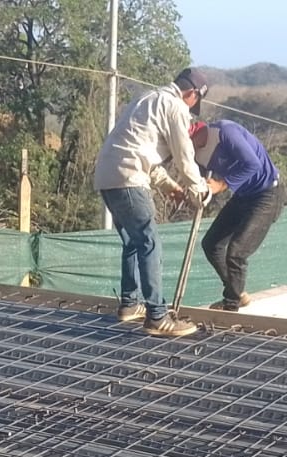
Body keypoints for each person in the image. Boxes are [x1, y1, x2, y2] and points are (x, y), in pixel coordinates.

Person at [93, 68, 211, 337]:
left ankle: (130, 304)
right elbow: (184, 156)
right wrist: (199, 189)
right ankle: (157, 316)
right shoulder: (175, 107)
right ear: (191, 94)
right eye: (195, 102)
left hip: (107, 177)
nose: (193, 108)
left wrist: (170, 186)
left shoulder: (146, 100)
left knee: (133, 242)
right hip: (130, 178)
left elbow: (139, 150)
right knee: (149, 242)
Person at [186, 121, 286, 312]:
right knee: (212, 244)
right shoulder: (195, 154)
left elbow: (252, 164)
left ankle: (230, 307)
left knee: (237, 252)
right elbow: (203, 181)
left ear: (196, 131)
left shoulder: (225, 132)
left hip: (267, 193)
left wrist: (221, 185)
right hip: (243, 195)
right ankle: (237, 293)